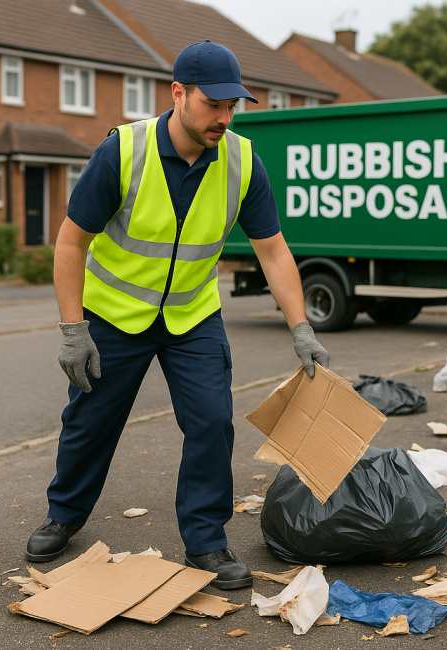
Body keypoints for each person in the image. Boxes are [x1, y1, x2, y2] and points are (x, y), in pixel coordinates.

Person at [25, 41, 330, 590]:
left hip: (192, 315)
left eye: (232, 105)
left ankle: (206, 543)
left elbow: (273, 249)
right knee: (90, 424)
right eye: (213, 104)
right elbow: (71, 244)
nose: (224, 117)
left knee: (212, 422)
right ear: (178, 94)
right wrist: (73, 330)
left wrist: (300, 326)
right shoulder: (124, 150)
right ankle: (64, 515)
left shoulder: (241, 160)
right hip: (115, 316)